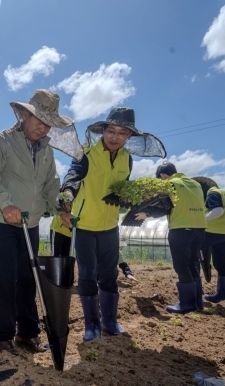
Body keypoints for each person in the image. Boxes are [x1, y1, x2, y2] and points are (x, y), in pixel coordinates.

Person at [0, 89, 76, 356]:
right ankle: (4, 335)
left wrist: (62, 209)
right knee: (5, 279)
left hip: (30, 223)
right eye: (39, 120)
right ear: (25, 114)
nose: (44, 127)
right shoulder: (1, 141)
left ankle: (28, 332)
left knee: (28, 278)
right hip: (2, 222)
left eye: (48, 123)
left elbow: (51, 186)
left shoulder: (46, 150)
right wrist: (5, 203)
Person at [60, 108, 161, 342]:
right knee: (86, 275)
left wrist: (136, 203)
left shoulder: (127, 159)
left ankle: (110, 322)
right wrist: (66, 196)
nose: (115, 137)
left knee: (109, 274)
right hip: (84, 224)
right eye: (111, 131)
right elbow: (72, 177)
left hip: (109, 227)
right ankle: (92, 325)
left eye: (122, 133)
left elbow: (122, 189)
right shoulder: (85, 154)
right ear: (103, 131)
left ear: (128, 137)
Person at [136, 162, 207, 314]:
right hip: (200, 228)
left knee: (182, 267)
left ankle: (187, 304)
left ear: (163, 176)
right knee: (192, 264)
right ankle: (198, 302)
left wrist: (146, 214)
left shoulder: (170, 184)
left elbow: (164, 207)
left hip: (181, 229)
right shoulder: (194, 183)